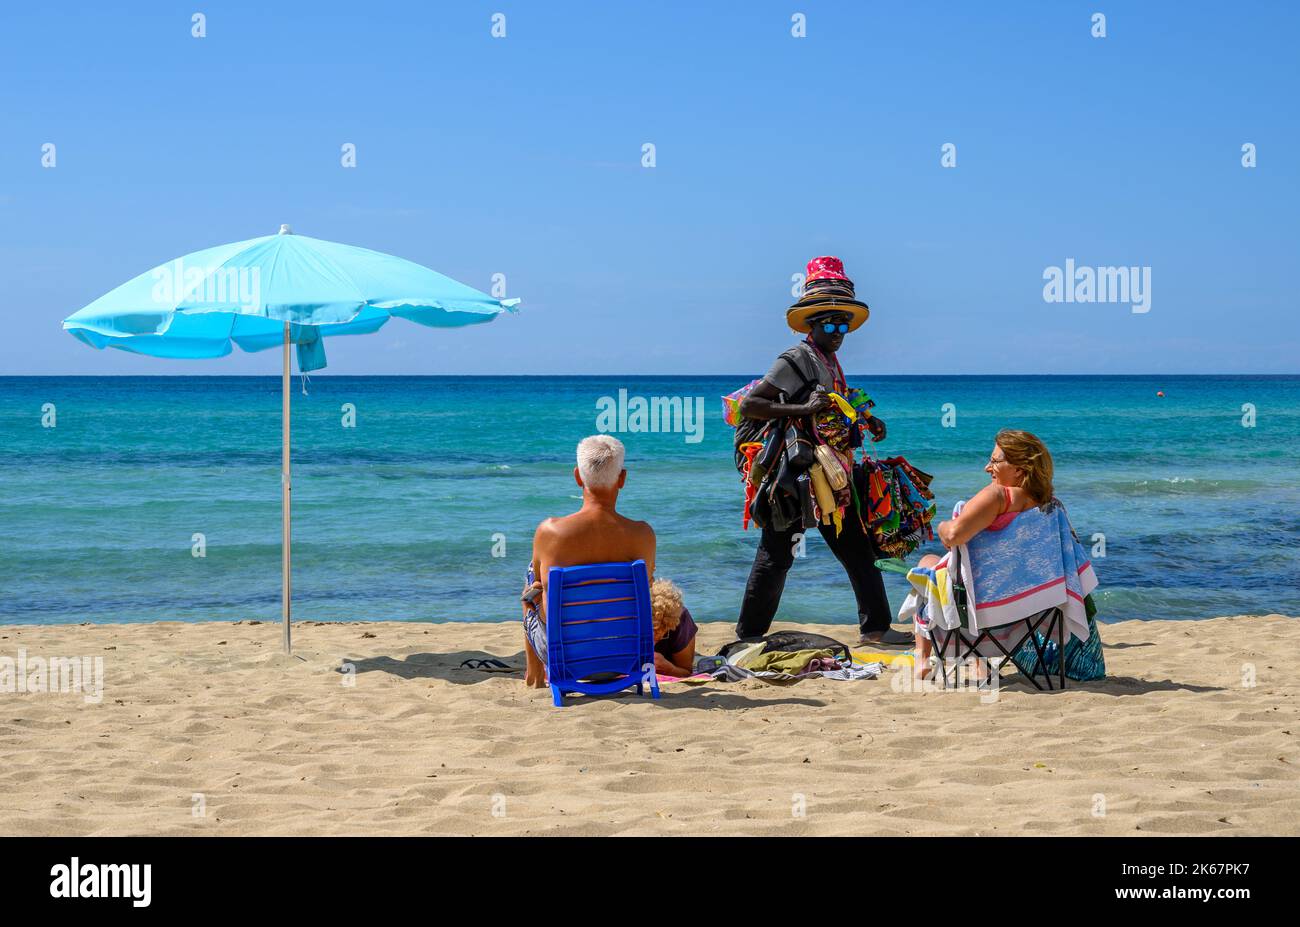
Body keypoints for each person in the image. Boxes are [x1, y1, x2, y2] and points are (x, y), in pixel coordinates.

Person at [736, 256, 906, 646]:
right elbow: (751, 406)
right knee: (778, 553)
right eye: (829, 324)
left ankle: (876, 627)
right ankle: (748, 636)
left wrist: (865, 421)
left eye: (843, 324)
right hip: (794, 475)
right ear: (812, 324)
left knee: (855, 546)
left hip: (825, 474)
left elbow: (832, 409)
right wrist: (802, 409)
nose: (837, 331)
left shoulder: (829, 360)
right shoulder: (796, 358)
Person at [912, 429, 1054, 675]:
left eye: (995, 461)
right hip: (1028, 607)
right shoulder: (1048, 507)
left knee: (927, 564)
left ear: (1019, 468)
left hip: (979, 606)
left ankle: (922, 657)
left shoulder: (999, 496)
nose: (987, 468)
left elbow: (954, 536)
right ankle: (979, 662)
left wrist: (943, 526)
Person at [520, 435, 656, 688]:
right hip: (626, 657)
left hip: (567, 660)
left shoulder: (549, 532)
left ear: (577, 477)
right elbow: (648, 590)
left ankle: (535, 675)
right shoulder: (643, 535)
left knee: (533, 578)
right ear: (622, 478)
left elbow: (537, 592)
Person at [650, 578, 698, 677]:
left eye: (659, 634)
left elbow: (686, 671)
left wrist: (669, 669)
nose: (653, 641)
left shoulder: (680, 620)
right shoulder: (626, 620)